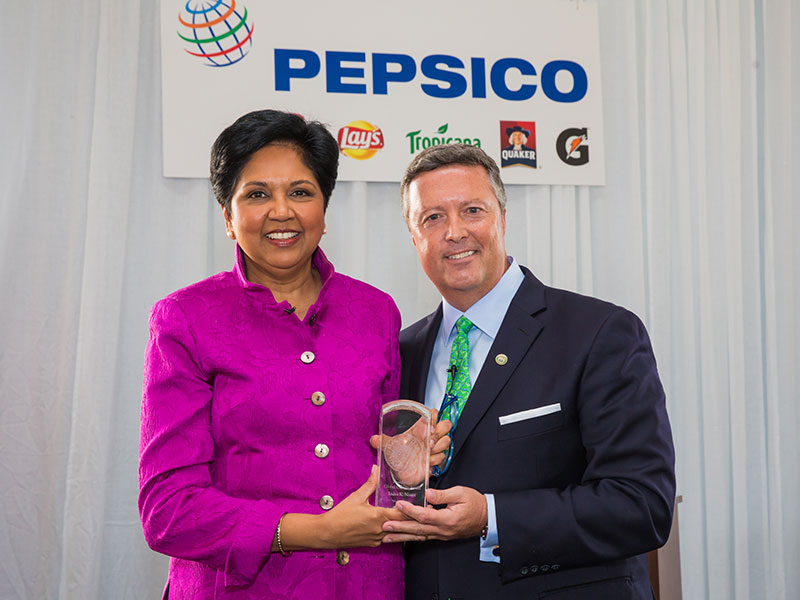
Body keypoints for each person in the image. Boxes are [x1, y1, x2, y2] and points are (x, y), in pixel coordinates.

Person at [138, 110, 448, 600]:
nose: (280, 211)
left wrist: (412, 458)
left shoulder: (375, 311)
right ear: (227, 216)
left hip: (366, 585)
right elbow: (168, 511)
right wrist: (316, 531)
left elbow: (384, 465)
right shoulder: (186, 318)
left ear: (324, 211)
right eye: (257, 194)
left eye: (301, 192)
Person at [382, 143, 676, 599]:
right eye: (432, 218)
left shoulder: (599, 333)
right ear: (414, 237)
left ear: (502, 216)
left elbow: (641, 505)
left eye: (472, 210)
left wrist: (491, 517)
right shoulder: (400, 351)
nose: (454, 232)